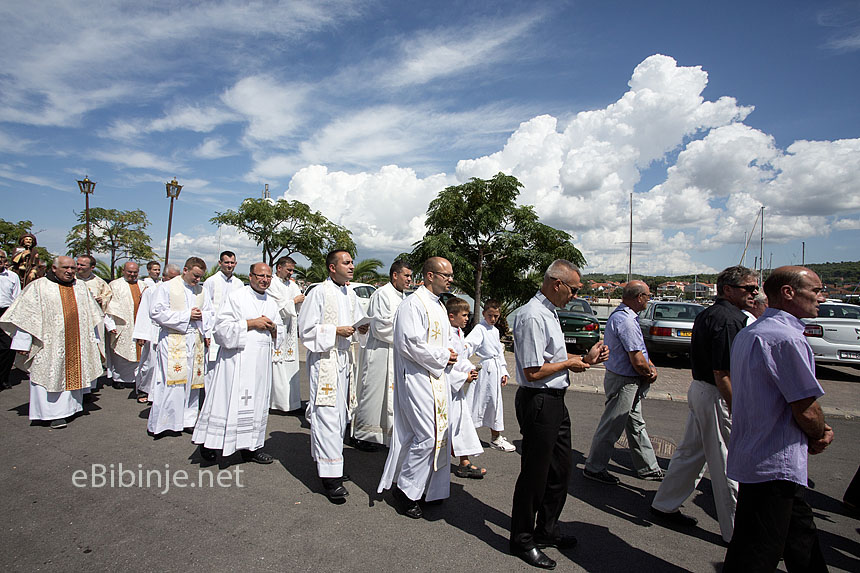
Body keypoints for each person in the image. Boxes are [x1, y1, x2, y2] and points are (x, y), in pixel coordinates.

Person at [723, 266, 834, 571]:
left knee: (801, 540)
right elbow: (805, 406)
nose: (821, 298)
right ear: (789, 293)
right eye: (816, 290)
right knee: (757, 552)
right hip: (775, 461)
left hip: (758, 455)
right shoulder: (785, 339)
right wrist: (817, 432)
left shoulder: (751, 333)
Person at [509, 259, 608, 570]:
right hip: (539, 400)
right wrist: (569, 364)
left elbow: (553, 356)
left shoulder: (549, 312)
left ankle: (547, 528)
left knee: (561, 470)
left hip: (554, 400)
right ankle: (523, 539)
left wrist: (584, 358)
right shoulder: (532, 316)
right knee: (535, 475)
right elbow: (533, 370)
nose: (576, 296)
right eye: (574, 290)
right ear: (557, 284)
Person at [650, 265, 758, 542]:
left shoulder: (709, 314)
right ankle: (738, 534)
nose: (754, 293)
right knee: (727, 463)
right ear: (728, 290)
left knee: (691, 454)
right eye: (749, 288)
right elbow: (723, 372)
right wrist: (737, 406)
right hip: (717, 393)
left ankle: (665, 503)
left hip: (701, 390)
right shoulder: (728, 319)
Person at [377, 257, 458, 519]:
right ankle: (404, 491)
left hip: (435, 379)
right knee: (427, 435)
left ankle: (427, 489)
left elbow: (447, 343)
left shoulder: (438, 306)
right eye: (445, 274)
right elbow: (409, 344)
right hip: (417, 378)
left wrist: (457, 360)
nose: (450, 279)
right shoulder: (412, 304)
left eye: (451, 275)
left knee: (438, 434)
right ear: (430, 276)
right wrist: (444, 356)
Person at [193, 263, 283, 464]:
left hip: (260, 364)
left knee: (257, 405)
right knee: (226, 403)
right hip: (236, 361)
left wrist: (275, 328)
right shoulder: (236, 297)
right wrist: (251, 324)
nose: (265, 280)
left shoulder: (272, 302)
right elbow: (221, 329)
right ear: (250, 276)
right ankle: (209, 444)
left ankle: (251, 448)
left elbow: (281, 332)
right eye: (261, 276)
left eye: (268, 277)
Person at [298, 250, 369, 502]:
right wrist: (335, 331)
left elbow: (358, 325)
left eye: (352, 262)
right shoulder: (318, 292)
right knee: (327, 414)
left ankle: (333, 463)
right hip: (325, 360)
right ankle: (330, 478)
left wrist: (361, 328)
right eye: (346, 262)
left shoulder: (350, 293)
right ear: (331, 267)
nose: (351, 266)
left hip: (345, 359)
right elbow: (305, 330)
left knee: (340, 416)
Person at [0, 256, 103, 428]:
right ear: (54, 268)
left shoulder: (81, 288)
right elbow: (26, 318)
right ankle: (51, 413)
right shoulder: (39, 287)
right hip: (49, 345)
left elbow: (90, 317)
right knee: (50, 374)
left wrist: (93, 340)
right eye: (66, 268)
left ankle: (71, 409)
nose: (70, 271)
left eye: (72, 268)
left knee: (72, 374)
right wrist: (22, 343)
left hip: (75, 342)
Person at [583, 280, 663, 484]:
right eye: (648, 296)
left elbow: (640, 351)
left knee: (635, 425)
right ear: (639, 298)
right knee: (612, 426)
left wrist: (648, 366)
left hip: (625, 379)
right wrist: (649, 372)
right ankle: (594, 467)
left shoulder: (622, 317)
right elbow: (636, 359)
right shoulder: (626, 321)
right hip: (624, 381)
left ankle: (649, 467)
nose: (649, 299)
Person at [147, 257, 213, 436]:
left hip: (195, 341)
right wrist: (186, 315)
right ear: (185, 270)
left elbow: (210, 312)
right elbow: (155, 312)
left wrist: (203, 318)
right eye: (195, 275)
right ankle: (164, 423)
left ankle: (188, 420)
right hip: (173, 339)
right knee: (171, 382)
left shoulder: (202, 291)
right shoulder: (167, 287)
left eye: (200, 277)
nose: (197, 280)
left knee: (193, 382)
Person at [351, 259, 412, 450]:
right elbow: (379, 327)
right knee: (373, 394)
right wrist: (407, 332)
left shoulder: (403, 297)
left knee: (390, 396)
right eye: (406, 275)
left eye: (411, 276)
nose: (410, 280)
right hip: (379, 352)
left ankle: (384, 435)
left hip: (395, 352)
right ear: (395, 275)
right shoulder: (382, 294)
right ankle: (363, 435)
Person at [465, 299, 514, 452]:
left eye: (496, 316)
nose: (493, 319)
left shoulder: (495, 330)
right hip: (485, 371)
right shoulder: (479, 329)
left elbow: (499, 353)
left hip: (495, 371)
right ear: (484, 313)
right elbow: (467, 346)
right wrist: (465, 367)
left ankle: (495, 436)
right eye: (490, 315)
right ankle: (466, 437)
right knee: (477, 403)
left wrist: (504, 372)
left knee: (495, 404)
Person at [446, 296, 485, 479]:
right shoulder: (446, 334)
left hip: (457, 388)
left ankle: (464, 462)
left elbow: (461, 359)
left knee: (462, 425)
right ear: (451, 316)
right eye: (464, 315)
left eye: (468, 315)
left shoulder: (459, 333)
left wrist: (470, 369)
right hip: (448, 387)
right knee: (448, 426)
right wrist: (463, 377)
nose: (466, 319)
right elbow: (446, 364)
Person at [132, 264, 180, 404]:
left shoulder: (179, 291)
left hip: (170, 333)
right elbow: (144, 312)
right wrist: (142, 334)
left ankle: (160, 393)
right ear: (164, 277)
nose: (173, 281)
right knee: (150, 364)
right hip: (153, 331)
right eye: (171, 278)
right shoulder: (152, 290)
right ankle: (144, 389)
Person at [267, 256, 304, 413]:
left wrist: (298, 301)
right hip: (278, 329)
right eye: (288, 270)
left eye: (292, 270)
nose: (291, 273)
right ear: (279, 268)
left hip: (290, 331)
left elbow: (301, 301)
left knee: (291, 364)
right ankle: (277, 404)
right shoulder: (272, 284)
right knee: (278, 366)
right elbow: (276, 305)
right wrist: (294, 301)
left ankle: (292, 403)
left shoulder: (292, 285)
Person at [203, 251, 243, 387]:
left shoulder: (239, 283)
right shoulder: (211, 281)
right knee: (212, 366)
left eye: (232, 263)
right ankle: (209, 404)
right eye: (226, 262)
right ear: (220, 263)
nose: (229, 265)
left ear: (236, 264)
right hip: (214, 328)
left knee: (229, 364)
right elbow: (206, 308)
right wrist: (206, 332)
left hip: (232, 329)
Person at [103, 261, 142, 390]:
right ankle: (118, 378)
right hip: (122, 325)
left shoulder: (142, 285)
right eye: (130, 272)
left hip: (138, 325)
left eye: (135, 272)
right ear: (123, 271)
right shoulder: (115, 285)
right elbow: (109, 306)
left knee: (139, 354)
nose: (132, 274)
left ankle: (137, 378)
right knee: (120, 354)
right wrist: (110, 324)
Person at [76, 255, 112, 392]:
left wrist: (101, 299)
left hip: (94, 321)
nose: (78, 267)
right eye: (77, 264)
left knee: (93, 352)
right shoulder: (71, 281)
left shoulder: (99, 282)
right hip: (77, 321)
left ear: (92, 267)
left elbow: (108, 296)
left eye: (82, 265)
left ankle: (90, 387)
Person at [0, 250, 22, 390]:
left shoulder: (12, 276)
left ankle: (3, 378)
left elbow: (17, 297)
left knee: (7, 347)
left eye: (2, 257)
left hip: (6, 312)